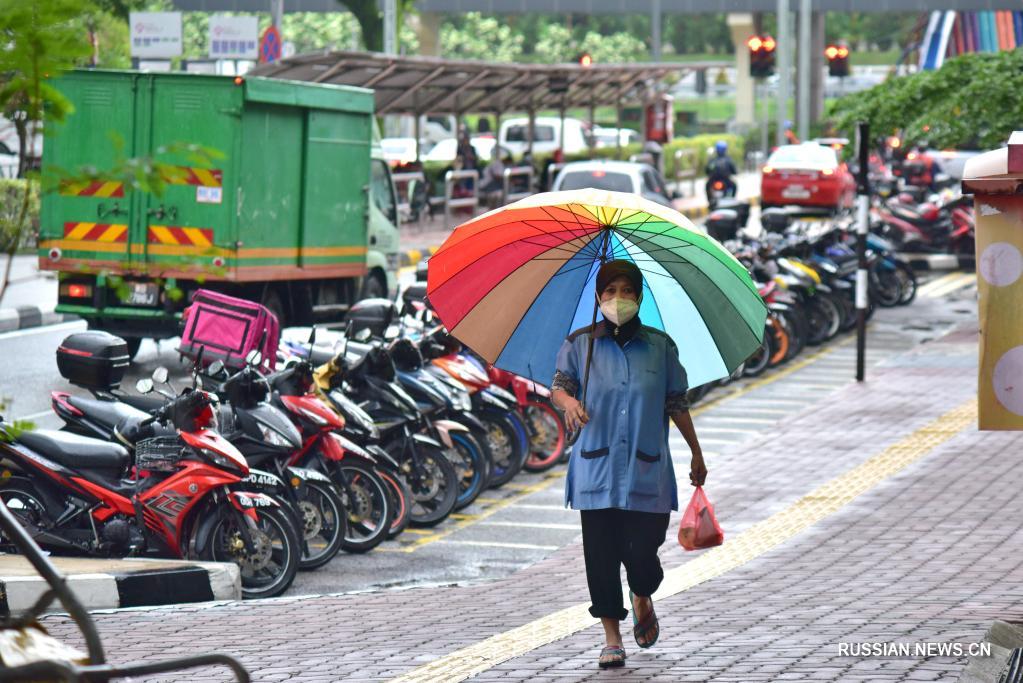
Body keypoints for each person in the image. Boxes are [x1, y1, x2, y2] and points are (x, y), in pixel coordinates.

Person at [550, 260, 708, 670]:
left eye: (626, 290)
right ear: (599, 298)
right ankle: (611, 636)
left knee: (642, 555)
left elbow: (676, 401)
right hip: (594, 469)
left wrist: (696, 450)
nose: (617, 298)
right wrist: (569, 403)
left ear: (638, 296)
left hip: (647, 470)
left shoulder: (660, 346)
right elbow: (559, 387)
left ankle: (642, 592)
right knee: (600, 557)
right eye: (609, 291)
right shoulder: (579, 345)